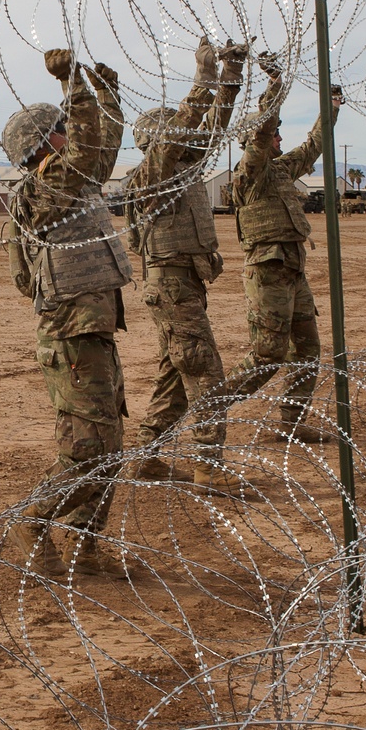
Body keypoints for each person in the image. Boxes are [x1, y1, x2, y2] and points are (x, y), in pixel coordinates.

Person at [1, 46, 130, 576]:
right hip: (70, 335)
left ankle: (83, 545)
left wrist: (107, 95)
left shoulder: (71, 179)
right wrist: (74, 84)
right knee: (88, 451)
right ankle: (31, 522)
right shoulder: (47, 186)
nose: (71, 133)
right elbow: (87, 146)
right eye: (63, 127)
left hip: (89, 330)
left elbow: (102, 143)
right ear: (44, 142)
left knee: (108, 447)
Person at [121, 36, 247, 489]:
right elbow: (189, 128)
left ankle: (149, 456)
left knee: (177, 370)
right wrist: (204, 77)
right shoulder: (152, 177)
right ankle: (208, 465)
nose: (190, 141)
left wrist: (229, 77)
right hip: (172, 286)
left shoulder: (182, 170)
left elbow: (211, 127)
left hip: (183, 285)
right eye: (177, 136)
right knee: (204, 370)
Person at [221, 68, 341, 442]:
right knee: (268, 353)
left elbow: (314, 145)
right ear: (258, 139)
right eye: (275, 134)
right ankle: (213, 404)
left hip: (292, 269)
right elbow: (262, 130)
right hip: (268, 271)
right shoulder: (250, 172)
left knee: (307, 347)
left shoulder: (281, 169)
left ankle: (291, 421)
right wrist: (273, 90)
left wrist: (331, 108)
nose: (280, 138)